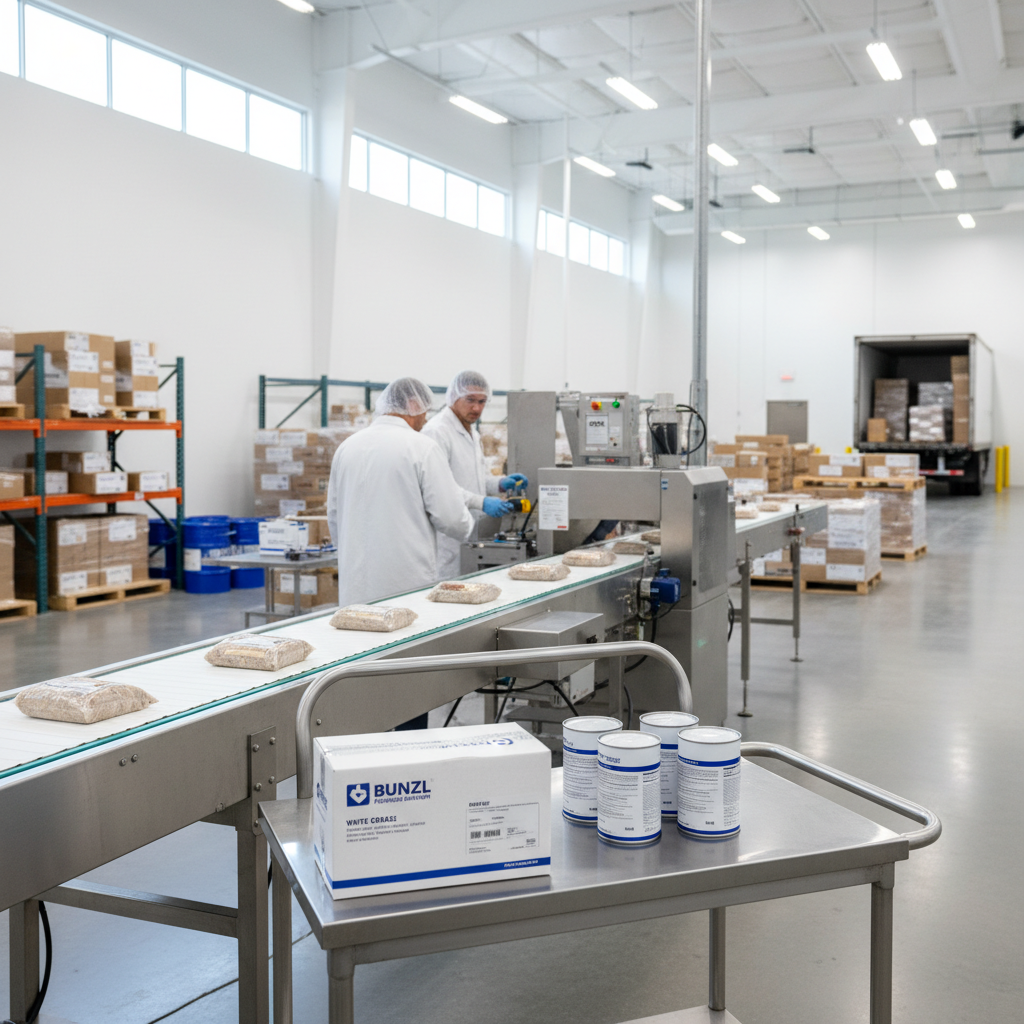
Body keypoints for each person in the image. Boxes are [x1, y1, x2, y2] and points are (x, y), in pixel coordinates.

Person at [327, 376, 473, 608]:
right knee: (405, 640)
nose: (425, 420)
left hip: (354, 585)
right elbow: (451, 517)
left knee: (360, 637)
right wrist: (469, 526)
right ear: (414, 405)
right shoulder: (421, 447)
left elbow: (334, 516)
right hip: (405, 582)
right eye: (425, 412)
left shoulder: (347, 447)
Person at [422, 370, 529, 581]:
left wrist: (500, 483)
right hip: (447, 536)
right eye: (470, 400)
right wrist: (482, 502)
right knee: (447, 591)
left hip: (472, 533)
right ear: (453, 397)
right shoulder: (436, 432)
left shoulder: (473, 433)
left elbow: (476, 479)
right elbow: (440, 487)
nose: (476, 408)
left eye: (482, 401)